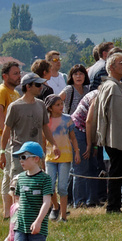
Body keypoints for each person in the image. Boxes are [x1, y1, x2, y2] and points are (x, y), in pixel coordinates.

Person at [79, 52, 122, 213]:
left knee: (119, 169)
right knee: (116, 170)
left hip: (118, 137)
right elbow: (113, 118)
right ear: (111, 67)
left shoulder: (116, 85)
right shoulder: (111, 87)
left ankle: (115, 205)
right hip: (116, 138)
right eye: (121, 63)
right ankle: (113, 206)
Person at [4, 145, 54, 241]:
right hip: (21, 227)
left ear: (36, 159)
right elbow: (17, 204)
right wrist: (10, 231)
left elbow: (47, 202)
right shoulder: (20, 178)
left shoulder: (45, 179)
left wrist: (38, 221)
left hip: (37, 228)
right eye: (20, 158)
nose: (21, 161)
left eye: (24, 157)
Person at [3, 74, 50, 216]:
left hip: (36, 153)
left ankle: (33, 213)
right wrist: (1, 152)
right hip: (19, 153)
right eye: (37, 85)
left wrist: (53, 144)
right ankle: (17, 213)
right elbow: (6, 131)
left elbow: (45, 128)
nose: (41, 87)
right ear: (28, 87)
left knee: (36, 184)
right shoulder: (15, 107)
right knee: (17, 184)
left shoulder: (41, 105)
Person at [62, 66, 98, 207]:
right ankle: (77, 200)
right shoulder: (68, 90)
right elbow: (55, 102)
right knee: (78, 165)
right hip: (74, 128)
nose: (78, 76)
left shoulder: (88, 90)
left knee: (86, 166)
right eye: (75, 74)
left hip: (86, 129)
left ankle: (76, 198)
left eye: (81, 74)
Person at [0, 61, 23, 212]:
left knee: (15, 171)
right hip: (6, 138)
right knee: (9, 172)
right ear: (5, 76)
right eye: (15, 73)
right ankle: (7, 211)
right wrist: (6, 135)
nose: (18, 76)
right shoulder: (1, 91)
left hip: (15, 137)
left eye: (19, 73)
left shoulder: (15, 93)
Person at [44, 92, 76, 221]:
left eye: (61, 104)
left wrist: (77, 152)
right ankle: (55, 207)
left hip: (65, 157)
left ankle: (63, 216)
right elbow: (42, 139)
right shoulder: (46, 121)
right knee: (50, 186)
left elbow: (73, 137)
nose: (61, 106)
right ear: (50, 108)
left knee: (62, 187)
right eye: (57, 105)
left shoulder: (67, 119)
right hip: (50, 157)